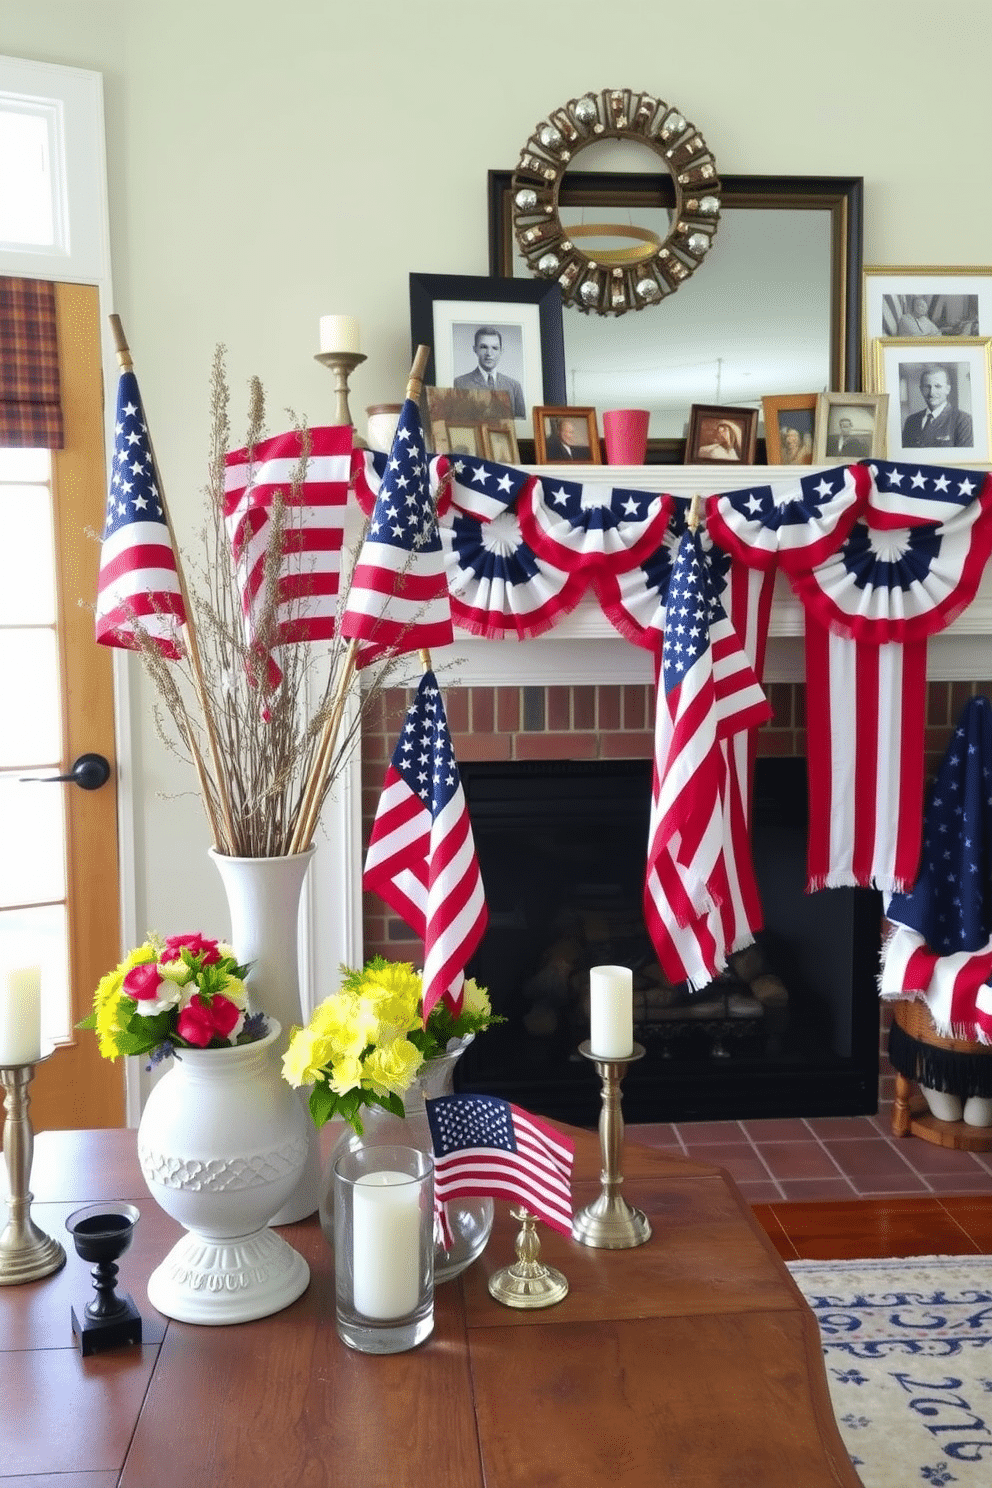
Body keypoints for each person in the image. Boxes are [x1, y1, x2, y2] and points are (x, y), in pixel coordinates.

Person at [453, 326, 525, 418]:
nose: (489, 353)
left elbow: (521, 423)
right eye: (483, 347)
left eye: (494, 348)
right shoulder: (460, 384)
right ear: (475, 349)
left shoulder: (514, 386)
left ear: (501, 351)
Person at [901, 365, 973, 449]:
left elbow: (964, 458)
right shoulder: (911, 421)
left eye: (938, 386)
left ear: (947, 389)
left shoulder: (963, 421)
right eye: (927, 387)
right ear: (921, 389)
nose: (932, 393)